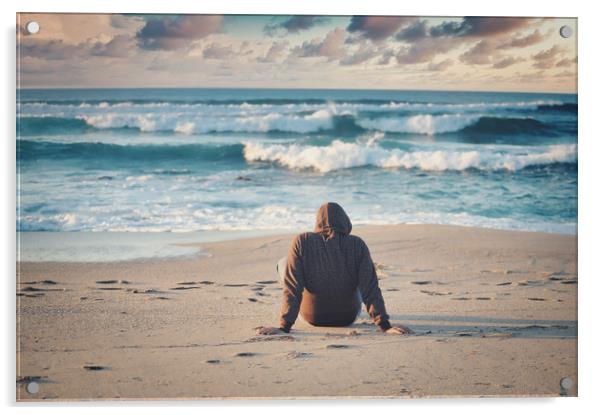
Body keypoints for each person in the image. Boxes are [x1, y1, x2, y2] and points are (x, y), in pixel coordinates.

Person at [257, 202, 412, 336]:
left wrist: (284, 327)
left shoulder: (302, 241)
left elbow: (292, 287)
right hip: (347, 317)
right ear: (345, 221)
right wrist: (385, 326)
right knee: (362, 276)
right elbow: (370, 287)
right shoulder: (357, 244)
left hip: (312, 317)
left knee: (283, 263)